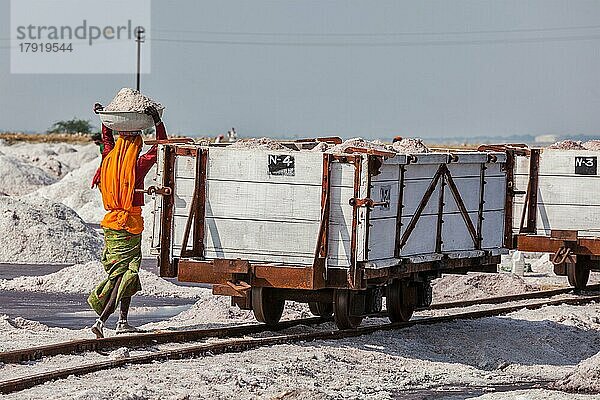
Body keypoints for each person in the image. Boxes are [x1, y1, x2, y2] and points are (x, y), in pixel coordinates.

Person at [87, 102, 167, 338]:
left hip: (110, 225)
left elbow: (107, 139)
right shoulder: (138, 165)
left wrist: (104, 118)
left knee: (125, 273)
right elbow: (161, 146)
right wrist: (157, 122)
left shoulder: (109, 158)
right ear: (136, 145)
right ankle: (102, 320)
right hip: (130, 227)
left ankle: (123, 321)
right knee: (125, 274)